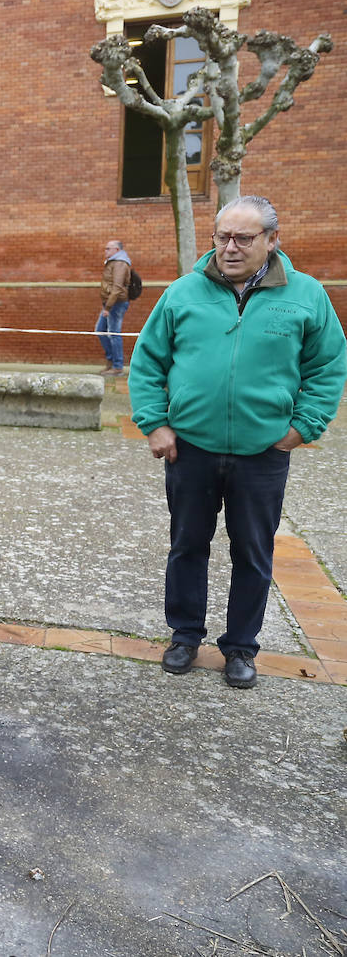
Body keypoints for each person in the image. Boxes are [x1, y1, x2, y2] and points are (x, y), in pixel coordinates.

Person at [129, 196, 346, 690]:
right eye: (222, 236)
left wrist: (303, 427)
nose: (230, 247)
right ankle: (185, 636)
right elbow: (148, 361)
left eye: (243, 238)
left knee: (253, 553)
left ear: (272, 240)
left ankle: (242, 647)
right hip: (191, 448)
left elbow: (327, 366)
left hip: (263, 453)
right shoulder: (183, 292)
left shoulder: (306, 295)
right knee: (187, 545)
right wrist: (155, 423)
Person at [97, 239, 131, 376]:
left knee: (114, 334)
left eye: (108, 248)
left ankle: (117, 366)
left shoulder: (120, 263)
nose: (105, 251)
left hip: (116, 304)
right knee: (100, 330)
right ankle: (111, 361)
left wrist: (108, 308)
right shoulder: (113, 262)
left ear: (117, 250)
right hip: (110, 303)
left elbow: (117, 288)